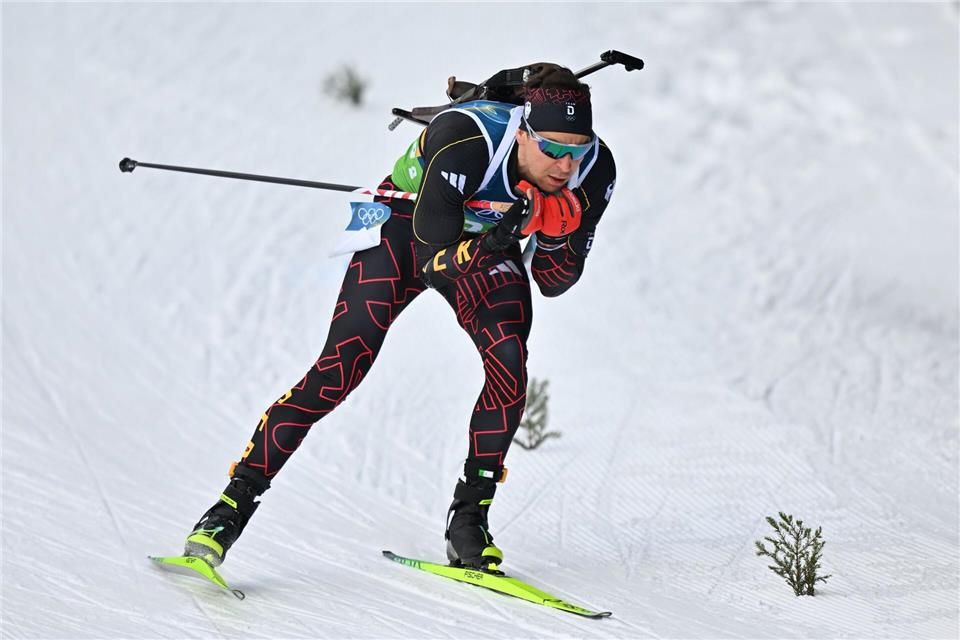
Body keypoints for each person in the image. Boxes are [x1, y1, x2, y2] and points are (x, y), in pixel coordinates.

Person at [182, 63, 617, 573]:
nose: (565, 166)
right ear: (522, 132)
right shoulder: (464, 140)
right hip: (404, 232)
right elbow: (434, 257)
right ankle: (229, 508)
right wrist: (503, 234)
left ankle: (468, 521)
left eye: (576, 152)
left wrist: (559, 229)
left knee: (509, 363)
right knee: (339, 369)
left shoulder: (596, 171)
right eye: (552, 150)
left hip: (481, 245)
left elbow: (553, 280)